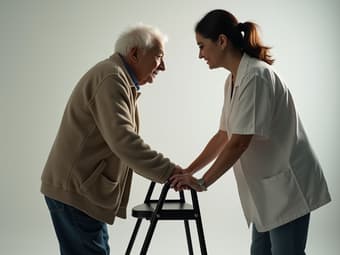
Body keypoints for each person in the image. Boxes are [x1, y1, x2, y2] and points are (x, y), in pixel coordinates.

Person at [170, 9, 331, 255]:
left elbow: (238, 143)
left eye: (202, 46)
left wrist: (202, 182)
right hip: (266, 191)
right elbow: (223, 136)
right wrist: (189, 171)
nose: (200, 54)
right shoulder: (233, 80)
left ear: (221, 41)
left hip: (287, 188)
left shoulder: (256, 75)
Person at [41, 24, 183, 255]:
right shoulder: (111, 78)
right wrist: (170, 171)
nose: (163, 66)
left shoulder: (117, 78)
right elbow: (124, 142)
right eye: (159, 57)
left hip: (82, 190)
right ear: (135, 53)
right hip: (77, 192)